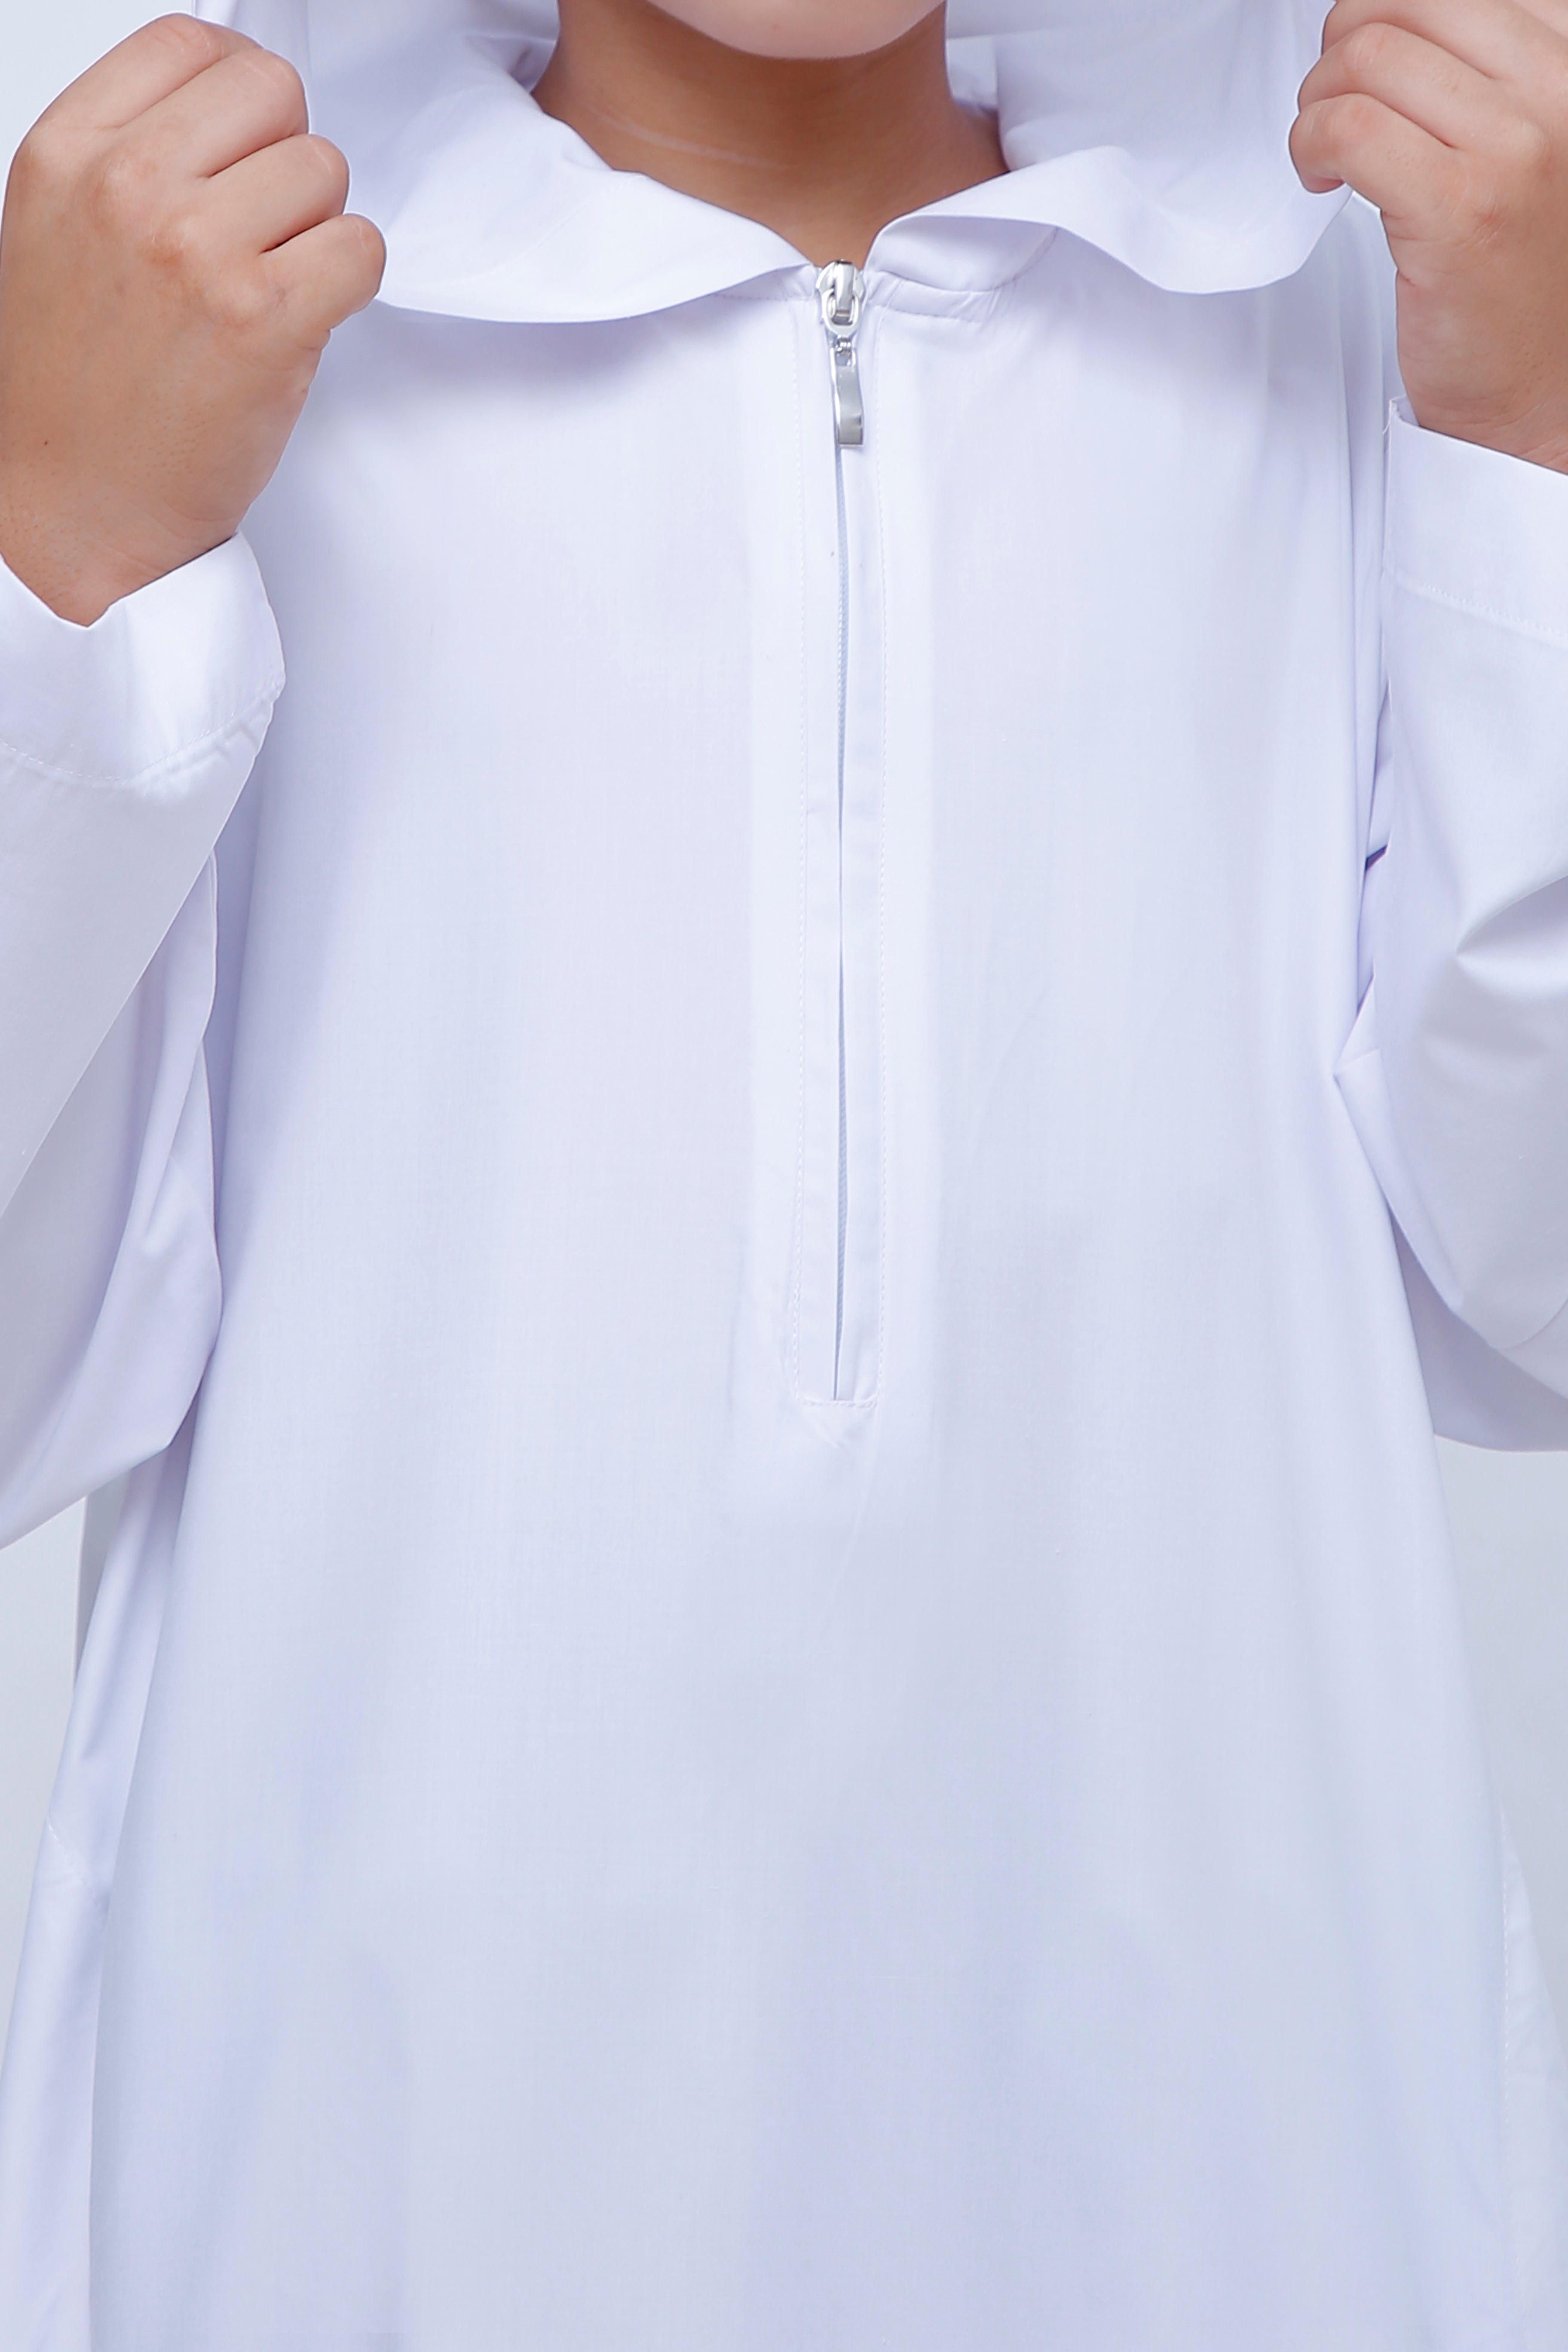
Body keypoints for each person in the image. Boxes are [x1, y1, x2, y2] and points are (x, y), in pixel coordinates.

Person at [2, 0, 1568, 2340]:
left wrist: (1532, 466)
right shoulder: (200, 341)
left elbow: (1534, 1295)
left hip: (1229, 2160)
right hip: (385, 2173)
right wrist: (56, 557)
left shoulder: (1352, 303)